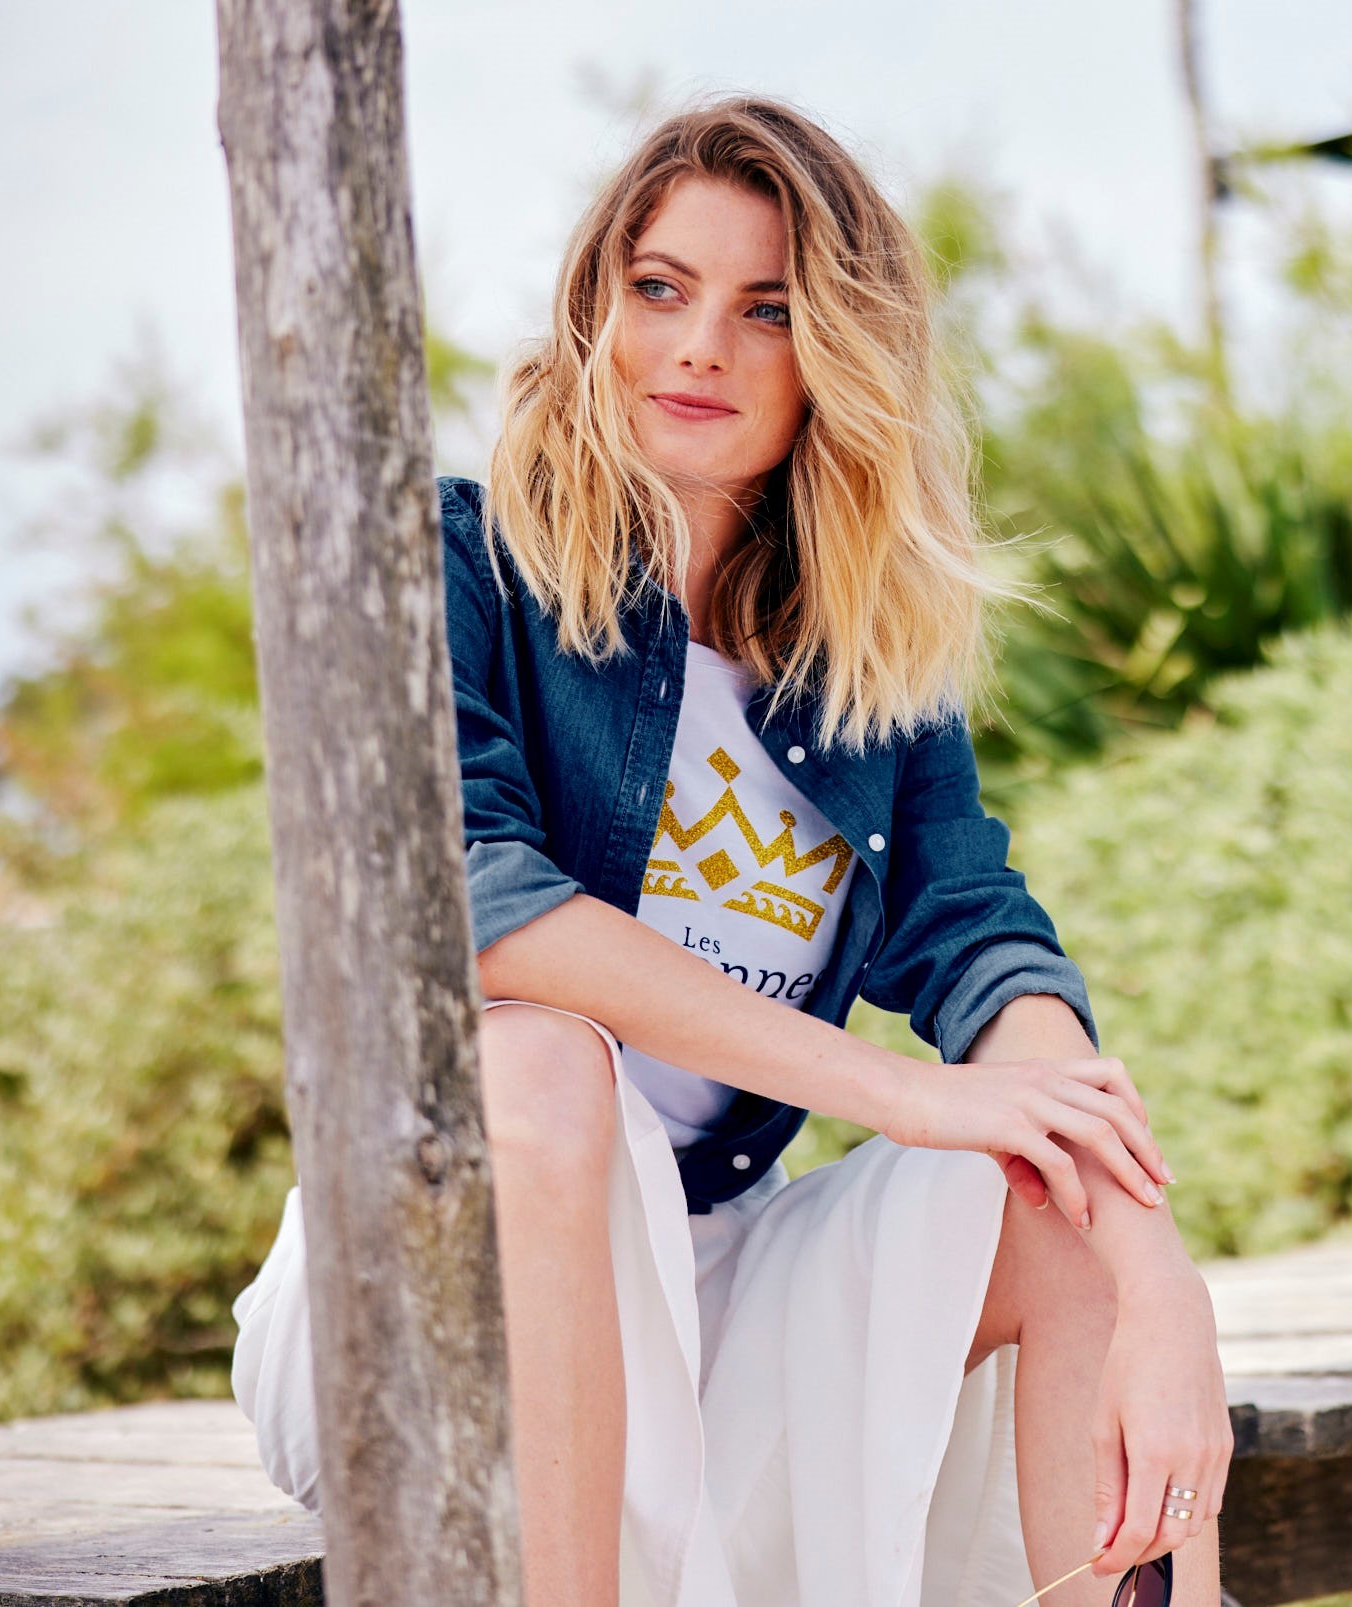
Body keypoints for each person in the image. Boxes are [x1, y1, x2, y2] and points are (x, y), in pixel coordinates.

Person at [227, 94, 1232, 1607]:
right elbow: (479, 907)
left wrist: (1158, 1274)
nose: (699, 345)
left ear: (838, 355)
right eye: (660, 288)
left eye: (766, 310)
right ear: (597, 311)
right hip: (443, 1303)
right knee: (542, 1060)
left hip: (720, 1301)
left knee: (1054, 1206)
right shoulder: (461, 558)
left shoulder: (860, 654)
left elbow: (983, 940)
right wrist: (902, 1091)